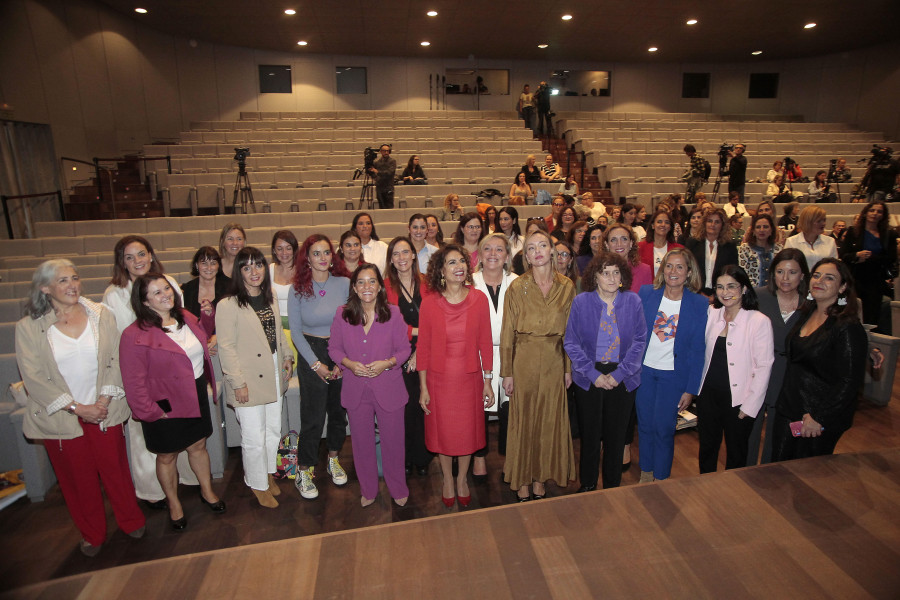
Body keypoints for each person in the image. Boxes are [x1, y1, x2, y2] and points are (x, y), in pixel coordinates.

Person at [16, 259, 145, 556]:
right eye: (62, 280)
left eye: (74, 278)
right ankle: (92, 533)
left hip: (104, 410)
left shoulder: (101, 315)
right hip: (62, 417)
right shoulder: (29, 327)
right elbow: (33, 379)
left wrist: (101, 401)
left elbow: (114, 359)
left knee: (116, 470)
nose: (72, 285)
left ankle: (130, 520)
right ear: (45, 288)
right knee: (78, 480)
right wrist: (78, 408)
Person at [120, 273, 225, 527]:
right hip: (164, 402)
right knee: (167, 456)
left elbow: (202, 340)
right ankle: (174, 503)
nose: (165, 294)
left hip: (195, 391)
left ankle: (206, 490)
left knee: (198, 446)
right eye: (156, 292)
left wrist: (208, 318)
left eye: (166, 288)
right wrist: (151, 412)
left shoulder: (186, 317)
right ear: (144, 302)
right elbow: (133, 382)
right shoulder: (133, 335)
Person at [102, 235, 197, 508]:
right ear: (122, 263)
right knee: (146, 435)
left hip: (173, 370)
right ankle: (153, 492)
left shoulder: (167, 282)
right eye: (129, 257)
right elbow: (124, 337)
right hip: (143, 371)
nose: (137, 261)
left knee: (178, 428)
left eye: (141, 254)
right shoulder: (115, 293)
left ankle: (183, 479)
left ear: (151, 255)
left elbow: (181, 321)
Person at [501, 229, 576, 501]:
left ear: (552, 250)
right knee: (524, 421)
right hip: (524, 357)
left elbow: (572, 332)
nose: (537, 251)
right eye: (531, 248)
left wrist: (569, 368)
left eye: (542, 245)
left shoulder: (567, 286)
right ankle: (522, 478)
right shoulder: (516, 287)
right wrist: (507, 373)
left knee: (549, 420)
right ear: (526, 256)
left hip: (555, 359)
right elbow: (507, 332)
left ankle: (541, 476)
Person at [418, 244, 494, 507]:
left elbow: (485, 342)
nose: (459, 266)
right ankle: (447, 480)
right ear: (440, 270)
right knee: (444, 434)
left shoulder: (479, 299)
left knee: (466, 433)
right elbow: (423, 348)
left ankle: (461, 478)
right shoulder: (429, 304)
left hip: (469, 378)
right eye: (452, 263)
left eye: (462, 261)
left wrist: (487, 381)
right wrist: (423, 387)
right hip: (439, 380)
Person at [329, 264, 411, 507]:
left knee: (393, 442)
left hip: (389, 387)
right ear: (354, 287)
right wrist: (349, 364)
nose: (367, 287)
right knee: (361, 443)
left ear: (379, 286)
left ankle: (398, 488)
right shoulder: (342, 313)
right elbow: (334, 348)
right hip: (356, 389)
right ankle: (368, 489)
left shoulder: (393, 313)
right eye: (361, 282)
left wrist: (387, 363)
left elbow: (404, 349)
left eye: (372, 281)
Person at [216, 248, 293, 508]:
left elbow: (278, 333)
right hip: (247, 375)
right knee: (252, 435)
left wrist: (286, 357)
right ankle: (257, 483)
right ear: (238, 272)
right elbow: (226, 348)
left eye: (258, 265)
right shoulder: (228, 305)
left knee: (273, 429)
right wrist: (237, 383)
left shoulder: (269, 298)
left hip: (272, 369)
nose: (254, 272)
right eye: (246, 267)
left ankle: (269, 473)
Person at [771, 259, 868, 461]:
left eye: (829, 277)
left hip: (816, 416)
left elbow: (850, 381)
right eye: (816, 275)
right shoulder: (806, 313)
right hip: (789, 407)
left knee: (808, 479)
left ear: (842, 287)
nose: (820, 280)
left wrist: (820, 417)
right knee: (779, 470)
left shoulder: (846, 325)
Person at [565, 252, 646, 491]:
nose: (611, 278)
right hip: (589, 376)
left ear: (623, 276)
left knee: (616, 436)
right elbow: (571, 342)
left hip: (623, 376)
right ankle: (588, 485)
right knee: (590, 436)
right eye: (605, 272)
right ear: (595, 276)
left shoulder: (633, 301)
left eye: (616, 272)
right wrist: (594, 375)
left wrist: (619, 375)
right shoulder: (581, 302)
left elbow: (640, 341)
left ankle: (612, 485)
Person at [288, 235, 352, 500]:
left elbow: (352, 322)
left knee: (338, 413)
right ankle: (305, 468)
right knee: (313, 416)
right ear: (307, 258)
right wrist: (316, 365)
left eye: (327, 252)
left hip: (339, 349)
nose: (323, 258)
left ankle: (334, 458)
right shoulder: (297, 288)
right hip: (310, 351)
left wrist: (339, 360)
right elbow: (295, 331)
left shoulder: (345, 283)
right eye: (316, 253)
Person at [636, 248, 707, 482]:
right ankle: (646, 471)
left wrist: (691, 389)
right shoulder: (647, 293)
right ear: (662, 269)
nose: (673, 271)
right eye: (669, 266)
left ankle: (662, 476)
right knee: (645, 425)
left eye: (679, 267)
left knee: (664, 429)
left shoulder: (699, 303)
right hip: (645, 372)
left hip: (673, 377)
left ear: (688, 273)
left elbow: (698, 350)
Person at [696, 265, 774, 473]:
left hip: (738, 399)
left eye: (731, 286)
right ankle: (705, 487)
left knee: (737, 452)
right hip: (708, 396)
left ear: (744, 288)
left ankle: (734, 493)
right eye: (720, 287)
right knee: (707, 448)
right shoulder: (712, 314)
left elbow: (764, 366)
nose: (725, 292)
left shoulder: (758, 321)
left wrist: (750, 406)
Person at [749, 249, 809, 465]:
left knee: (779, 429)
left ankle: (770, 471)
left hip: (789, 374)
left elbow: (837, 330)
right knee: (749, 427)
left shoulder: (810, 304)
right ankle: (744, 471)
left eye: (792, 272)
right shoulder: (758, 296)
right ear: (772, 273)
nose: (785, 278)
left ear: (802, 275)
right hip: (756, 370)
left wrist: (870, 350)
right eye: (780, 271)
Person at [383, 236, 433, 478]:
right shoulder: (384, 286)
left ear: (414, 255)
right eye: (396, 254)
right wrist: (415, 339)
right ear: (390, 260)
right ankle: (402, 457)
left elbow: (437, 319)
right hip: (397, 353)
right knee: (402, 409)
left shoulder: (428, 283)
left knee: (422, 406)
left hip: (428, 350)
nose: (401, 258)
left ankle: (422, 457)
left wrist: (420, 349)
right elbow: (386, 324)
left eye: (405, 252)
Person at [471, 233, 518, 477]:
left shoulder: (519, 282)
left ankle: (511, 461)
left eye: (499, 250)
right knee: (477, 410)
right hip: (476, 355)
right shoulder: (469, 282)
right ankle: (479, 458)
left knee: (511, 411)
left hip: (512, 353)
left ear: (507, 256)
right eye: (487, 249)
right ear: (479, 254)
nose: (492, 254)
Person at [840, 201, 898, 328]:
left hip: (876, 281)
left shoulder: (889, 234)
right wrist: (856, 256)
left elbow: (891, 258)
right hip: (855, 279)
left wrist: (870, 257)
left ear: (883, 215)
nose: (875, 214)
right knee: (853, 314)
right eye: (872, 210)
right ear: (866, 213)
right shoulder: (853, 232)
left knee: (872, 317)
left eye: (879, 211)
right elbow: (844, 255)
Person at [180, 246, 228, 344]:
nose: (209, 268)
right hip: (194, 342)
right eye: (204, 263)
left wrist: (217, 337)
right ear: (197, 266)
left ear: (218, 266)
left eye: (213, 263)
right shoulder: (186, 289)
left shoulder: (229, 288)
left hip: (223, 340)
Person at [686, 207, 739, 296]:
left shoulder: (730, 246)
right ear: (704, 223)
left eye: (717, 222)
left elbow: (732, 273)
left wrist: (716, 295)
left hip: (722, 294)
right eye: (709, 221)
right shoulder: (692, 243)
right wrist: (698, 292)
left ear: (722, 225)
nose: (712, 224)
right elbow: (687, 270)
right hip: (695, 293)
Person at [269, 230, 300, 365]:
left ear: (294, 249)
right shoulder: (269, 269)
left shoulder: (303, 270)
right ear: (274, 251)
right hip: (276, 324)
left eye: (288, 248)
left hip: (299, 323)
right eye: (279, 249)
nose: (284, 253)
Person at [784, 206, 838, 271]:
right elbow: (787, 267)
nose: (823, 223)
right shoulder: (791, 242)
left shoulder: (830, 241)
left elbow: (835, 267)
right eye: (819, 221)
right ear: (808, 222)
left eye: (824, 220)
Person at [605, 224, 653, 292]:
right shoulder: (599, 271)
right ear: (607, 245)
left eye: (624, 239)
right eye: (613, 240)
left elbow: (647, 300)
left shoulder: (644, 270)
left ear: (631, 243)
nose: (619, 244)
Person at [738, 213, 783, 287]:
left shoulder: (779, 249)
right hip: (753, 293)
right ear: (753, 231)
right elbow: (743, 275)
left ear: (771, 230)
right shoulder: (744, 249)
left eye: (765, 227)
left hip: (776, 292)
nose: (762, 230)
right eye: (758, 227)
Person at [639, 207, 684, 277]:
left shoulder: (679, 249)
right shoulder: (640, 247)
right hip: (647, 286)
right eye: (659, 222)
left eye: (667, 222)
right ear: (653, 225)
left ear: (670, 227)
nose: (663, 225)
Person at [368, 143, 396, 208]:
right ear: (381, 152)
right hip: (379, 187)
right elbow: (372, 172)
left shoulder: (392, 161)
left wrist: (377, 172)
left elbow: (389, 173)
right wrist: (376, 178)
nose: (386, 152)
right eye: (384, 151)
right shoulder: (377, 162)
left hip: (388, 188)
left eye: (387, 151)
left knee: (389, 207)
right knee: (381, 207)